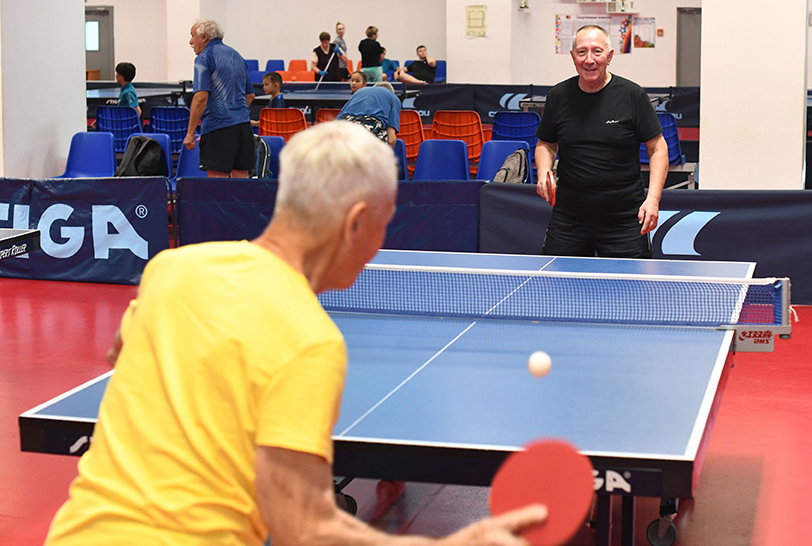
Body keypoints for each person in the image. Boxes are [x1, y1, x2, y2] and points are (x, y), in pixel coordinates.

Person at [44, 121, 545, 546]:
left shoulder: (172, 270)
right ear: (357, 222)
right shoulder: (310, 341)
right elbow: (302, 528)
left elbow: (122, 355)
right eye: (384, 223)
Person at [535, 25, 668, 258]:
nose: (589, 60)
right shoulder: (558, 96)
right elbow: (546, 144)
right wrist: (544, 171)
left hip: (624, 219)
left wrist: (653, 199)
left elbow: (658, 149)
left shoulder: (632, 95)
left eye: (597, 51)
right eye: (582, 52)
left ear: (609, 56)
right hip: (569, 217)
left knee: (629, 281)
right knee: (556, 279)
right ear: (573, 57)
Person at [184, 18, 256, 178]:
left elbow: (200, 97)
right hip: (243, 127)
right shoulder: (237, 56)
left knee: (217, 183)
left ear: (204, 37)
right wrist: (235, 116)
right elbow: (250, 95)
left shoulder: (203, 58)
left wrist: (190, 133)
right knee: (241, 179)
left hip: (218, 127)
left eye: (192, 35)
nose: (190, 41)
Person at [337, 81, 400, 146]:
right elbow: (391, 140)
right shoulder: (393, 97)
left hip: (342, 128)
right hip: (369, 127)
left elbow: (337, 121)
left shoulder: (359, 92)